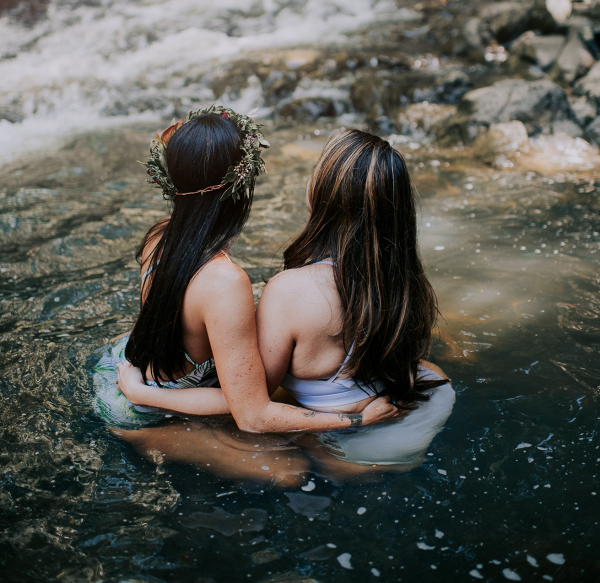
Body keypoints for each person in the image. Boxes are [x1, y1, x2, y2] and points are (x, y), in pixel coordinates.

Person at [117, 128, 454, 468]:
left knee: (288, 469)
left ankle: (143, 439)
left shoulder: (289, 290)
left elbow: (251, 411)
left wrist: (145, 395)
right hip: (422, 405)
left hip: (343, 443)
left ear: (321, 196)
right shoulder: (406, 281)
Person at [93, 107, 398, 434]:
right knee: (289, 473)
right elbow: (251, 414)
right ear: (241, 187)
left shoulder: (160, 234)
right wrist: (357, 419)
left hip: (118, 366)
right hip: (142, 409)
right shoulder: (225, 281)